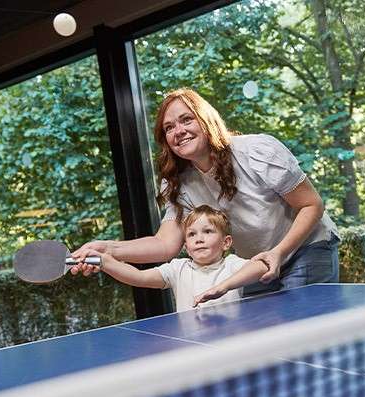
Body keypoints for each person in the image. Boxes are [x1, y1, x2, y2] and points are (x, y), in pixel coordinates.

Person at [71, 88, 339, 294]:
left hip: (305, 248)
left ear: (205, 120)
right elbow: (165, 245)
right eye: (169, 128)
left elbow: (311, 204)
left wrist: (278, 253)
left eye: (186, 120)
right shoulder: (178, 182)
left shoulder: (257, 150)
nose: (178, 131)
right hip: (254, 263)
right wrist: (106, 249)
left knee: (303, 337)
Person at [89, 205, 269, 311]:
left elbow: (261, 267)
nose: (199, 239)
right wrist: (105, 262)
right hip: (191, 345)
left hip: (230, 342)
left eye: (207, 231)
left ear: (226, 242)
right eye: (191, 234)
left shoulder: (231, 264)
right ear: (186, 247)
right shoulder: (178, 269)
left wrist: (223, 287)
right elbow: (139, 277)